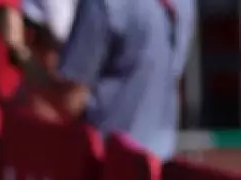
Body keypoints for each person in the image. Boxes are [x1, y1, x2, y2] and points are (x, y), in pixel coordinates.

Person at [11, 0, 193, 160]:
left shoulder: (104, 3)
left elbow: (69, 101)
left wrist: (20, 53)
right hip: (161, 166)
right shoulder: (184, 3)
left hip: (109, 168)